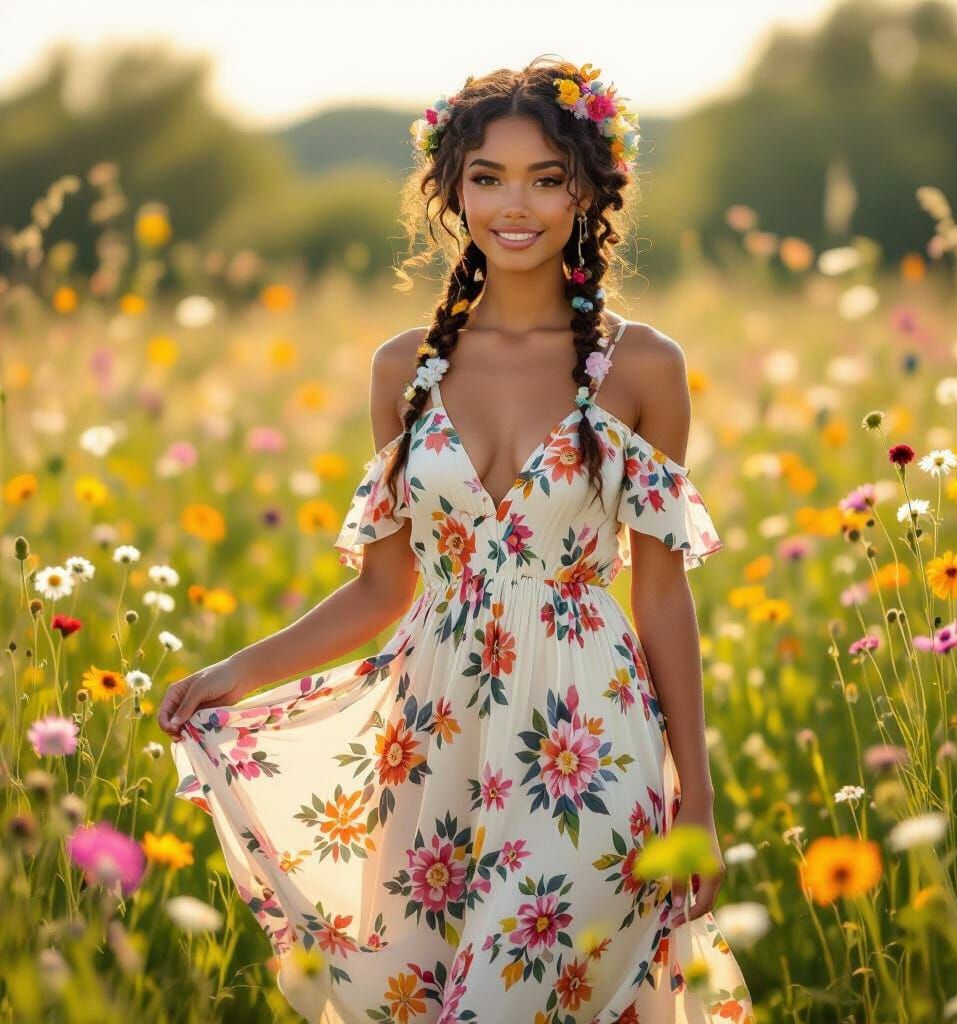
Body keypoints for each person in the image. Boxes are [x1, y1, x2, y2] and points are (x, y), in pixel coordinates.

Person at [160, 55, 754, 1023]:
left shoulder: (642, 365)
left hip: (587, 737)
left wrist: (699, 796)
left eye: (545, 178)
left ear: (588, 192)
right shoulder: (405, 368)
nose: (512, 205)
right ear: (452, 190)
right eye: (487, 177)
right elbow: (382, 590)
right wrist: (237, 671)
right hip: (432, 741)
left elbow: (658, 593)